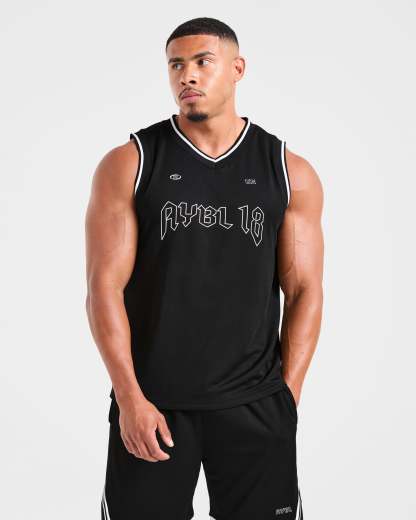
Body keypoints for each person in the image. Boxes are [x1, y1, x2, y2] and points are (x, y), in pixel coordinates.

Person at [85, 16, 324, 520]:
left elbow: (304, 288)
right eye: (176, 65)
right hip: (154, 403)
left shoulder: (287, 170)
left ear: (237, 69)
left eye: (202, 61)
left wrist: (287, 397)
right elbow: (103, 288)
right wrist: (129, 398)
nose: (187, 75)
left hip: (256, 405)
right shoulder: (131, 163)